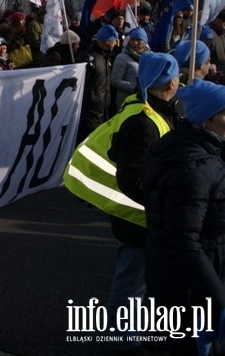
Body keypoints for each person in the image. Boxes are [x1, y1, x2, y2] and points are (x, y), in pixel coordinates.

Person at [71, 53, 179, 351]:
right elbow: (133, 179)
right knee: (131, 282)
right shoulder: (143, 122)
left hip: (143, 216)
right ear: (171, 83)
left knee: (137, 280)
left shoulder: (150, 111)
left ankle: (129, 336)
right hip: (139, 218)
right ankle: (122, 343)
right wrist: (163, 204)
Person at [144, 80, 225, 355]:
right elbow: (184, 239)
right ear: (206, 120)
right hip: (190, 287)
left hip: (185, 277)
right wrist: (218, 297)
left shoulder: (197, 149)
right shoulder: (194, 169)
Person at [76, 24, 119, 141]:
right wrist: (91, 99)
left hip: (102, 111)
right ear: (107, 41)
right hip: (89, 113)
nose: (116, 43)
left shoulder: (107, 58)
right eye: (114, 40)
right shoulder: (88, 57)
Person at [110, 27, 150, 110]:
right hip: (126, 103)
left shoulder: (150, 58)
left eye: (139, 40)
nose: (135, 43)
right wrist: (135, 88)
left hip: (145, 104)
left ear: (145, 42)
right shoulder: (122, 57)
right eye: (133, 40)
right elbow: (115, 81)